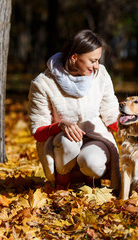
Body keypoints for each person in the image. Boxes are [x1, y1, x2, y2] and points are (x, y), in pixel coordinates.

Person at [28, 30, 120, 192]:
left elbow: (111, 112)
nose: (96, 66)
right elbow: (38, 131)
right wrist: (60, 126)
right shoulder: (43, 84)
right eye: (93, 61)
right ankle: (62, 187)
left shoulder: (101, 75)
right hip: (62, 143)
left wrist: (135, 132)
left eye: (98, 60)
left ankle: (91, 188)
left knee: (92, 162)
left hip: (95, 138)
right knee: (67, 143)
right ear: (74, 58)